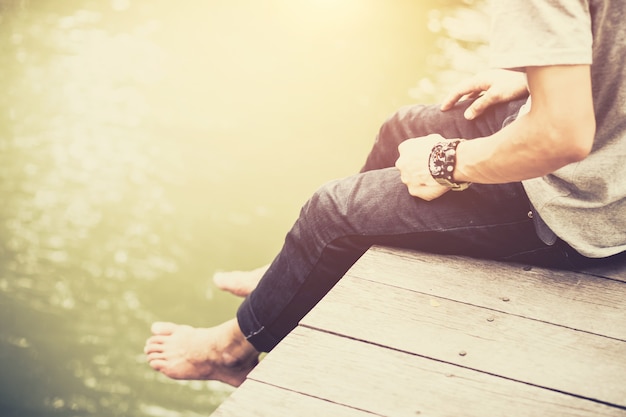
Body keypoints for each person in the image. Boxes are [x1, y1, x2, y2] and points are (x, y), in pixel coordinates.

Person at [144, 0, 626, 387]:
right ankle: (296, 276)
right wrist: (534, 78)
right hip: (613, 161)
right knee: (405, 126)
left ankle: (231, 351)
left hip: (584, 207)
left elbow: (561, 135)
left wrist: (446, 163)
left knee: (331, 212)